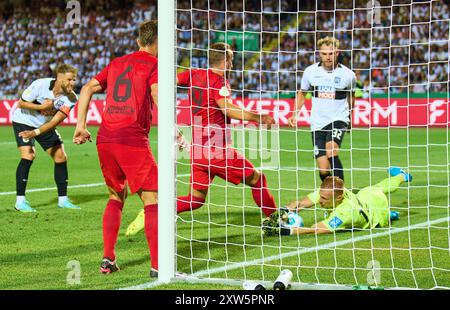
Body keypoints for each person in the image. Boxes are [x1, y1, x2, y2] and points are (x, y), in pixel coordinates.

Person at [125, 42, 277, 237]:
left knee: (195, 200)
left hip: (197, 149)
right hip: (217, 150)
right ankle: (274, 221)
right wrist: (258, 117)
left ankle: (152, 210)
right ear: (226, 60)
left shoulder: (192, 74)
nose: (231, 65)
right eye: (231, 61)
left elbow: (165, 81)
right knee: (258, 179)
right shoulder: (219, 82)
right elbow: (226, 108)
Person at [73, 20, 159, 277]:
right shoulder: (155, 64)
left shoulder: (117, 63)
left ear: (137, 41)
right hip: (131, 138)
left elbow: (87, 88)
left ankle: (108, 259)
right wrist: (173, 128)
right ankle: (158, 265)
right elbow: (156, 94)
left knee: (115, 197)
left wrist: (80, 125)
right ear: (160, 42)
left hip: (105, 138)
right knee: (153, 200)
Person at [262, 167, 412, 236]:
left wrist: (287, 230)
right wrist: (282, 212)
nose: (320, 201)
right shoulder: (329, 191)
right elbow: (301, 203)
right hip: (364, 199)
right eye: (320, 196)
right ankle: (400, 176)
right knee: (375, 187)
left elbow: (317, 229)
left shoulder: (344, 212)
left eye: (324, 199)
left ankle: (402, 177)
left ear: (339, 198)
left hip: (377, 212)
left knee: (380, 190)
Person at [12, 64, 80, 212]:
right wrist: (41, 107)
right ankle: (20, 202)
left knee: (60, 156)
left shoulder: (72, 98)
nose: (72, 83)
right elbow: (21, 103)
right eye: (69, 79)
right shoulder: (40, 84)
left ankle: (63, 200)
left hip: (44, 126)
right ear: (59, 78)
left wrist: (36, 132)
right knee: (29, 155)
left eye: (74, 80)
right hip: (23, 121)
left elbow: (55, 121)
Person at [288, 36, 356, 182]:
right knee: (323, 168)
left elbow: (351, 96)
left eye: (331, 53)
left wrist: (350, 117)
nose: (328, 57)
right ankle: (330, 192)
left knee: (331, 149)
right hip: (317, 123)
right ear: (319, 53)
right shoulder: (310, 72)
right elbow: (302, 93)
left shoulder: (348, 75)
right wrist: (295, 114)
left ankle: (342, 195)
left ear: (337, 53)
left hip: (338, 118)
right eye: (324, 54)